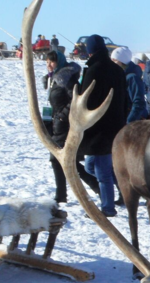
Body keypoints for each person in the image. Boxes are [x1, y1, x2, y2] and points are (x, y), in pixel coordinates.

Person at [78, 34, 128, 217]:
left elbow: (87, 101)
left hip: (99, 128)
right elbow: (126, 100)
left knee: (102, 171)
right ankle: (124, 189)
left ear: (90, 50)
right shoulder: (117, 70)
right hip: (115, 126)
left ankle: (107, 208)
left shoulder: (94, 70)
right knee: (91, 166)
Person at [43, 50, 99, 203]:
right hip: (55, 123)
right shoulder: (53, 78)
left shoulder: (66, 78)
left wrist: (62, 115)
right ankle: (64, 194)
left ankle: (63, 195)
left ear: (59, 61)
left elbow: (75, 100)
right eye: (47, 62)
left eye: (52, 61)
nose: (49, 65)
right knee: (64, 160)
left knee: (60, 159)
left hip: (65, 125)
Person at [111, 47, 148, 122]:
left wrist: (129, 123)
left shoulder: (132, 78)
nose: (112, 63)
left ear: (122, 61)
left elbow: (139, 104)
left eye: (114, 60)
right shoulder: (121, 76)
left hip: (134, 124)